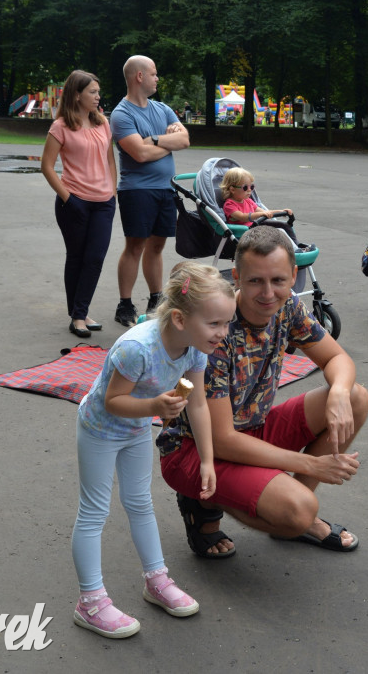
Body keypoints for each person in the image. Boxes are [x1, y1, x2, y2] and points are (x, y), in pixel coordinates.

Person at [157, 226, 368, 557]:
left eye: (278, 280)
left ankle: (292, 519)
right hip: (196, 449)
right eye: (256, 280)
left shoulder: (289, 307)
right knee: (299, 509)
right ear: (237, 277)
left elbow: (336, 357)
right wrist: (311, 465)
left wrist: (339, 392)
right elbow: (223, 440)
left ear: (293, 276)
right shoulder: (215, 328)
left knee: (356, 396)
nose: (268, 292)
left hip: (253, 429)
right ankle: (205, 503)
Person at [71, 263, 237, 638]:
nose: (222, 334)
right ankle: (90, 602)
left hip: (135, 430)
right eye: (215, 324)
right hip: (100, 429)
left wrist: (209, 459)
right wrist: (155, 409)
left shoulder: (195, 348)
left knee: (140, 503)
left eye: (226, 323)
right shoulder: (137, 348)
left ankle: (156, 580)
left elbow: (197, 404)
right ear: (179, 318)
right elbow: (113, 401)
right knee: (94, 511)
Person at [110, 55, 190, 326]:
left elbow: (185, 139)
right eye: (154, 74)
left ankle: (156, 299)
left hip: (165, 189)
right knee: (135, 247)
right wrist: (169, 143)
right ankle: (124, 304)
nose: (158, 78)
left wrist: (156, 139)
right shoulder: (121, 114)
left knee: (156, 246)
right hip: (137, 191)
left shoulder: (163, 108)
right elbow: (140, 154)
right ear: (139, 77)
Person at [40, 69, 118, 338]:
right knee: (77, 257)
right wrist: (67, 198)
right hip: (73, 202)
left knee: (95, 258)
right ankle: (78, 315)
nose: (98, 96)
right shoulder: (60, 126)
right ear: (77, 94)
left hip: (104, 201)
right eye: (92, 92)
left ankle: (79, 312)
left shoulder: (102, 123)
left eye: (98, 91)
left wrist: (112, 191)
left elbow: (110, 160)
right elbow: (47, 166)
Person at [219, 166, 291, 225]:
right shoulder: (229, 205)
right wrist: (260, 214)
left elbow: (265, 212)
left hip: (254, 228)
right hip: (242, 233)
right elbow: (243, 217)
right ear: (233, 190)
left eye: (252, 187)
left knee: (283, 226)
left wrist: (281, 211)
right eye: (245, 187)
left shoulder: (249, 201)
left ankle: (294, 242)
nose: (250, 190)